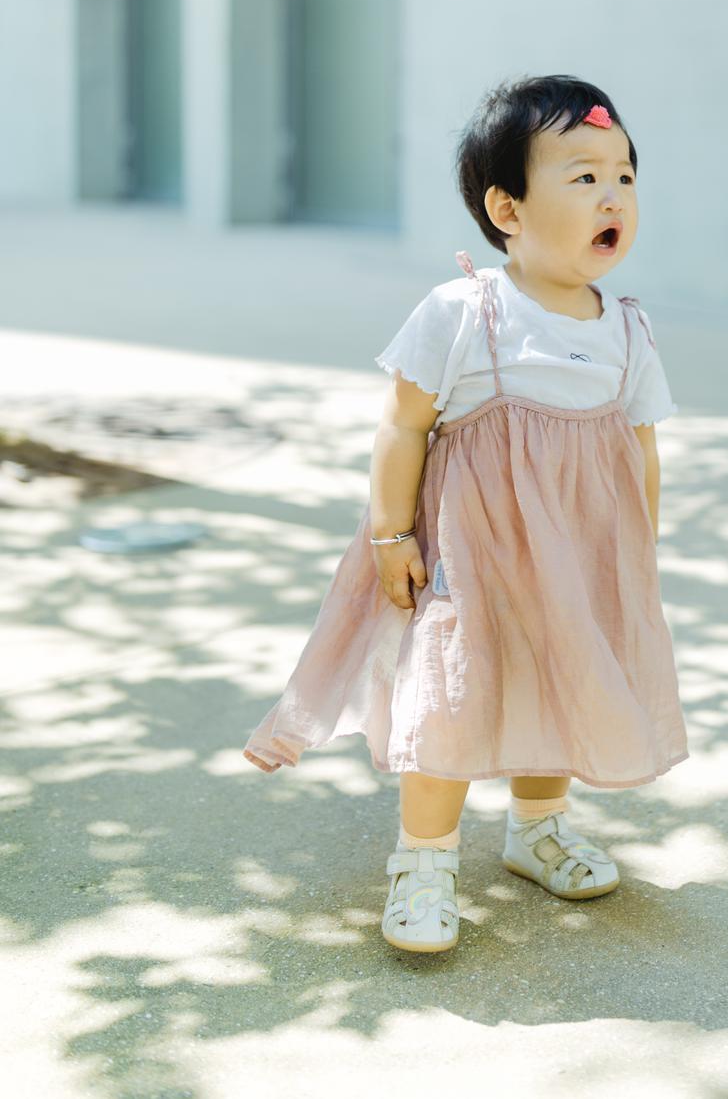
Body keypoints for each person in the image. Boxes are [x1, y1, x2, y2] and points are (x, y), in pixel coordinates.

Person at [242, 73, 688, 954]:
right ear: (507, 208)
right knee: (447, 699)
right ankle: (424, 860)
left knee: (562, 679)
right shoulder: (466, 311)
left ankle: (538, 829)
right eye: (584, 176)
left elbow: (638, 450)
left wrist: (637, 551)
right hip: (468, 561)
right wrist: (389, 533)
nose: (613, 196)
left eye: (625, 177)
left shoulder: (627, 331)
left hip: (578, 560)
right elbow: (403, 426)